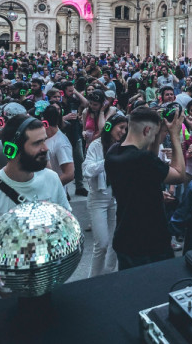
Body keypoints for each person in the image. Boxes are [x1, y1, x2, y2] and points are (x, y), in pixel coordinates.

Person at [0, 114, 69, 338]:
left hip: (45, 290)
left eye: (44, 140)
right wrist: (8, 293)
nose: (45, 148)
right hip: (0, 300)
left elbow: (65, 226)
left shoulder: (51, 179)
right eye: (37, 143)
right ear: (12, 150)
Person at [105, 106, 186, 269]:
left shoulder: (113, 152)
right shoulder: (143, 159)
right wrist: (175, 136)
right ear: (147, 130)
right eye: (155, 133)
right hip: (150, 242)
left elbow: (144, 174)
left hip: (124, 237)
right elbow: (179, 175)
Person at [81, 113, 126, 277]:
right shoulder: (96, 145)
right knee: (101, 244)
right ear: (109, 127)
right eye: (121, 127)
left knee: (115, 242)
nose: (123, 132)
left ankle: (108, 274)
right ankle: (92, 279)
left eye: (125, 129)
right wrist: (107, 161)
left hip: (116, 199)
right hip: (97, 200)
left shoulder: (123, 146)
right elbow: (87, 171)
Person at [41, 105, 75, 187]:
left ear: (45, 123)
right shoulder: (44, 137)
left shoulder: (61, 144)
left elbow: (69, 174)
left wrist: (51, 187)